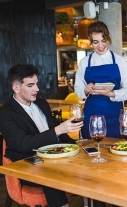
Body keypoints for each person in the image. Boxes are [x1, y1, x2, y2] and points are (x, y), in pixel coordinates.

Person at [0, 64, 82, 207]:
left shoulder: (42, 103)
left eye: (36, 84)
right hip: (27, 163)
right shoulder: (6, 113)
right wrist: (58, 130)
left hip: (55, 157)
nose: (37, 89)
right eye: (31, 85)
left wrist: (79, 144)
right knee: (49, 174)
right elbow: (22, 143)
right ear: (16, 88)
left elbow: (59, 136)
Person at [75, 21, 127, 139]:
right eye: (95, 42)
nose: (100, 46)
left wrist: (112, 93)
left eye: (103, 41)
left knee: (115, 148)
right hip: (91, 113)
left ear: (108, 38)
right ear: (90, 41)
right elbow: (78, 88)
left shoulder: (119, 61)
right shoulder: (84, 62)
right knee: (91, 149)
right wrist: (85, 90)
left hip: (114, 114)